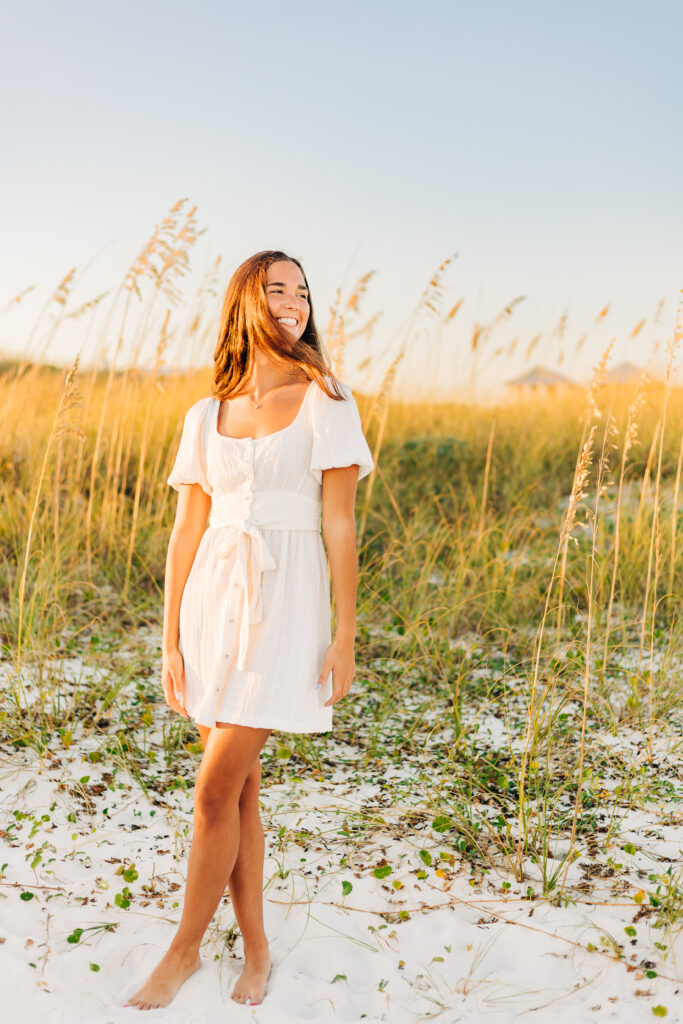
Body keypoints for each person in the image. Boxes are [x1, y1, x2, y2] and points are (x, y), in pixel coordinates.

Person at [125, 250, 374, 1010]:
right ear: (245, 301)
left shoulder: (327, 399)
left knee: (211, 792)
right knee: (238, 796)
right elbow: (184, 530)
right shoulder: (206, 414)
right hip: (213, 605)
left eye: (302, 292)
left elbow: (338, 522)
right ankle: (257, 949)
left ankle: (183, 949)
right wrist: (170, 638)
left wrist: (344, 633)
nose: (293, 302)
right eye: (277, 289)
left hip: (287, 604)